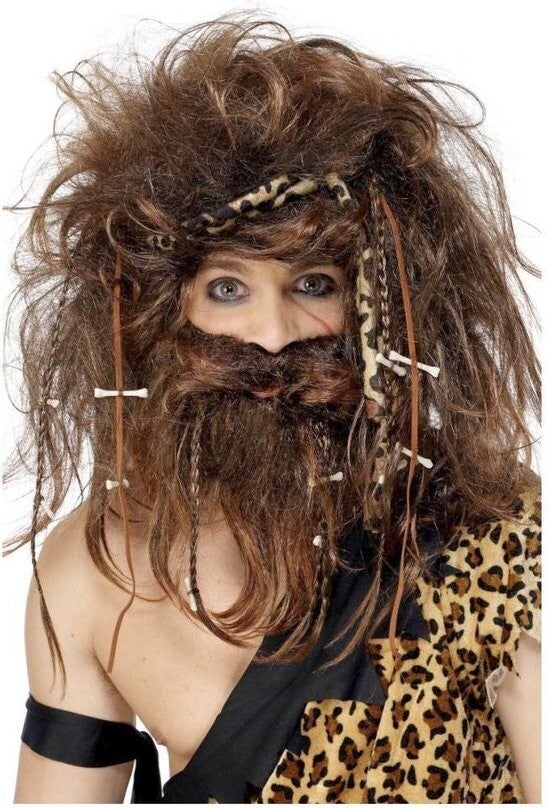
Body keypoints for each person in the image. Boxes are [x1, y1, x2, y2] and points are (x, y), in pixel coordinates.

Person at [3, 13, 541, 804]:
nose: (273, 334)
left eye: (313, 284)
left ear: (374, 304)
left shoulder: (488, 528)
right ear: (163, 309)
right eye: (228, 288)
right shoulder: (96, 566)